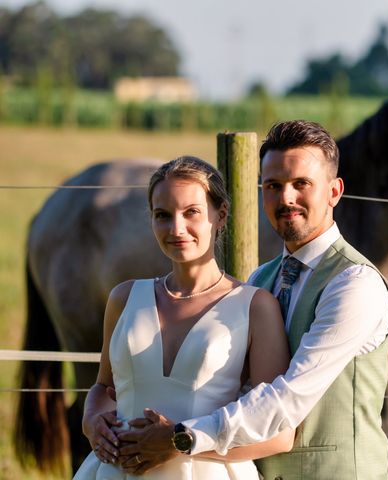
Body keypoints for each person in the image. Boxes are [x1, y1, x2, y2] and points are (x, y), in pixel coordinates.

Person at [116, 120, 388, 479]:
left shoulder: (355, 284)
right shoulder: (259, 280)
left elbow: (289, 398)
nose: (286, 198)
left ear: (334, 191)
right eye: (273, 185)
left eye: (301, 184)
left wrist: (179, 439)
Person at [73, 156, 294, 479]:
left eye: (191, 212)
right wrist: (91, 420)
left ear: (220, 215)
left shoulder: (255, 306)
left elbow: (279, 434)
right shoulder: (124, 298)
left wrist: (180, 443)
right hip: (116, 472)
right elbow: (104, 388)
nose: (177, 229)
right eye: (163, 215)